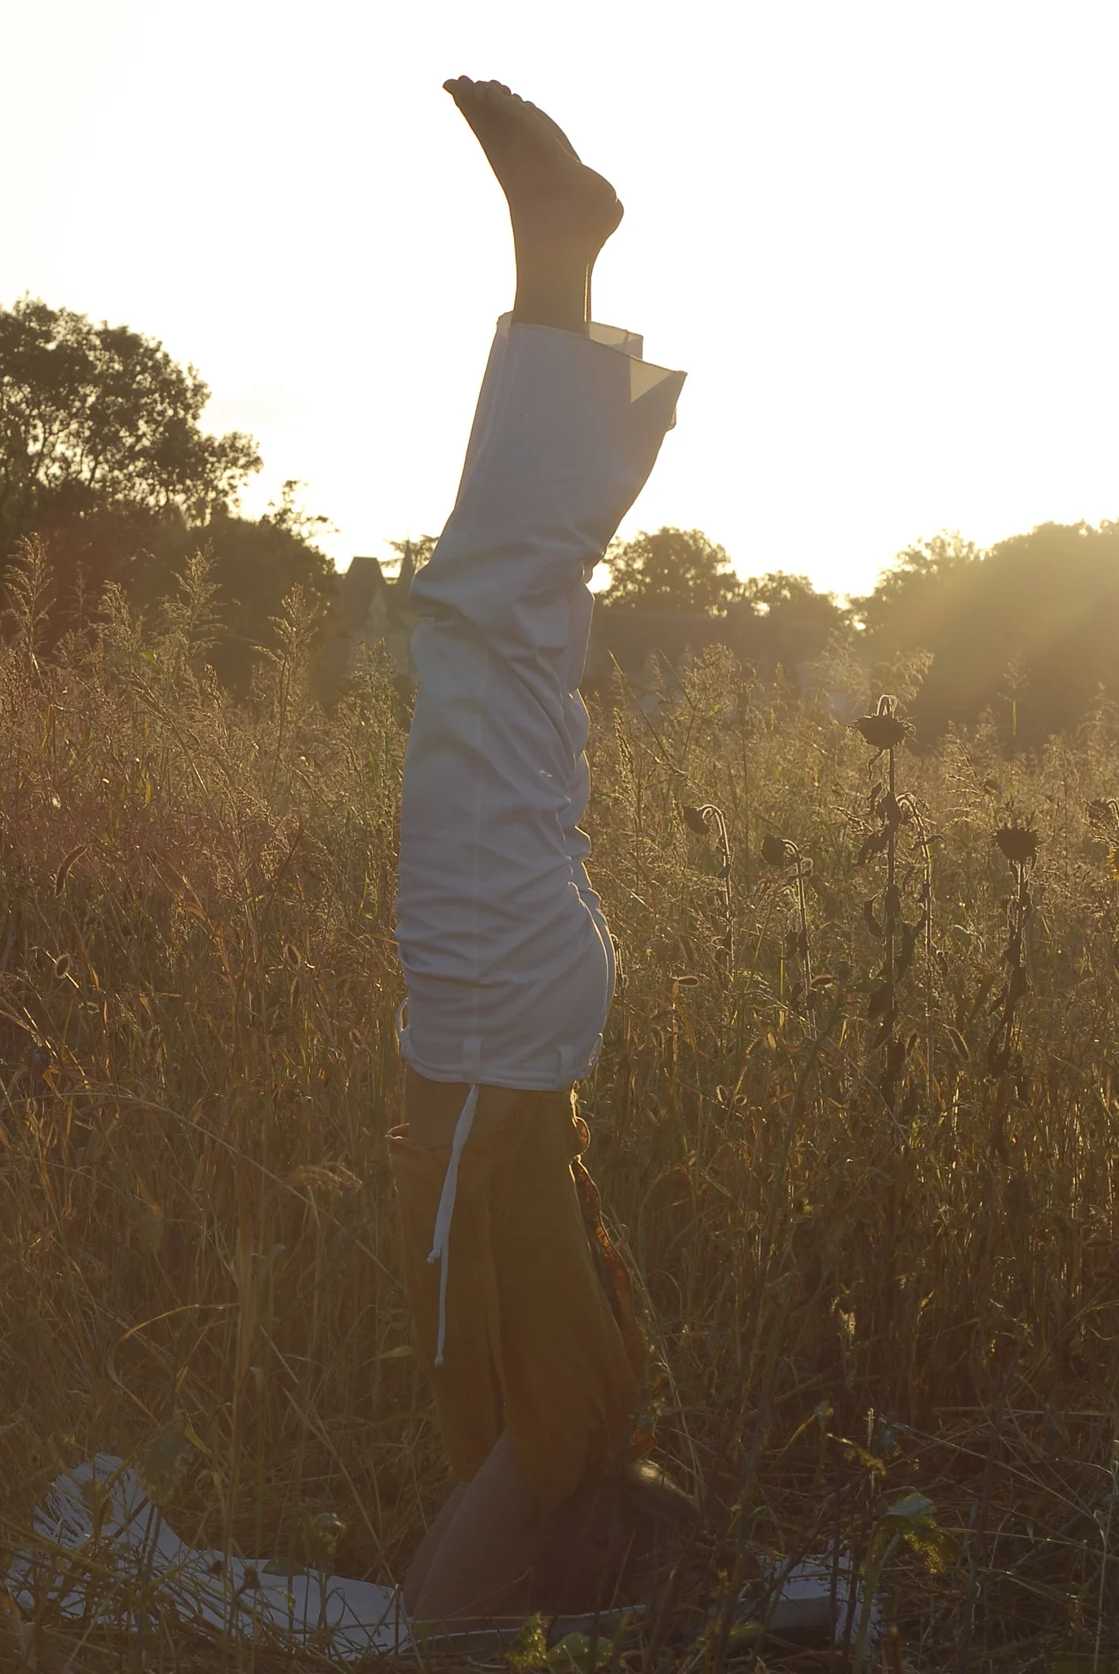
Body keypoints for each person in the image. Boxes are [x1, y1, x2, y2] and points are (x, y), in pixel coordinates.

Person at [390, 77, 691, 1628]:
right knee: (488, 624)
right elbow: (437, 1618)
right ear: (606, 1550)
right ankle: (558, 255)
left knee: (495, 635)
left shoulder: (566, 1425)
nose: (533, 1570)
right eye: (561, 1582)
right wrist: (526, 1626)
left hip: (511, 999)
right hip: (504, 997)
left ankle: (557, 271)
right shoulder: (571, 1436)